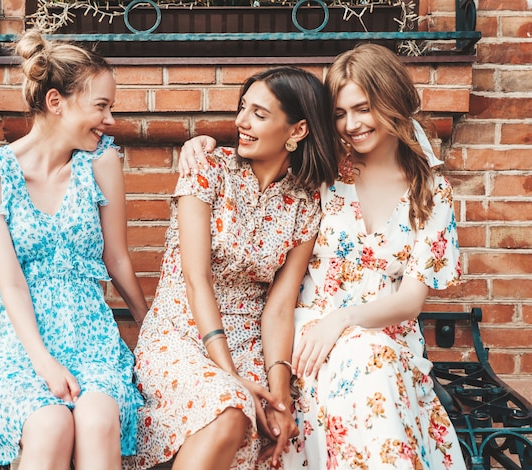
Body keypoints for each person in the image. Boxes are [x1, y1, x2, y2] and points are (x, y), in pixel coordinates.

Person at [179, 43, 465, 469]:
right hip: (308, 338)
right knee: (366, 367)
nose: (351, 125)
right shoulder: (324, 171)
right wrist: (201, 144)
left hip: (385, 336)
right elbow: (263, 148)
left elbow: (411, 301)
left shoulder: (431, 193)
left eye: (363, 109)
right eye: (339, 114)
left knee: (370, 360)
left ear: (392, 102)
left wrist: (345, 320)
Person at [0, 30, 148, 470]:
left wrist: (148, 329)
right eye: (101, 106)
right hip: (14, 343)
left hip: (89, 336)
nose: (110, 120)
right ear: (56, 102)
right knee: (49, 423)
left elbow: (116, 259)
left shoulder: (101, 162)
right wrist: (45, 363)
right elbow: (11, 284)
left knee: (97, 420)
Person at [123, 66, 337, 470]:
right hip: (182, 334)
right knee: (229, 408)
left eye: (259, 113)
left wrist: (280, 394)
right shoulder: (208, 168)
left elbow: (279, 306)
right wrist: (230, 376)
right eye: (242, 108)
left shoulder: (306, 202)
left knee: (275, 428)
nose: (240, 121)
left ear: (297, 131)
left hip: (250, 345)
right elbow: (195, 278)